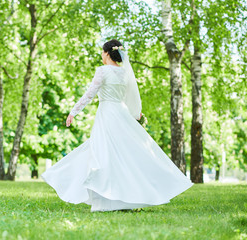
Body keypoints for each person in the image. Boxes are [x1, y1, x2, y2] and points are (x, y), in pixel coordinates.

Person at [41, 39, 194, 212]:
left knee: (103, 154)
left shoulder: (103, 71)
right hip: (122, 114)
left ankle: (107, 200)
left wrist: (73, 111)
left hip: (107, 114)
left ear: (106, 53)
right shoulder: (124, 73)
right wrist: (136, 115)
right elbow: (131, 96)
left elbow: (90, 94)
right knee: (122, 155)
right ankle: (123, 198)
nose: (101, 54)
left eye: (102, 51)